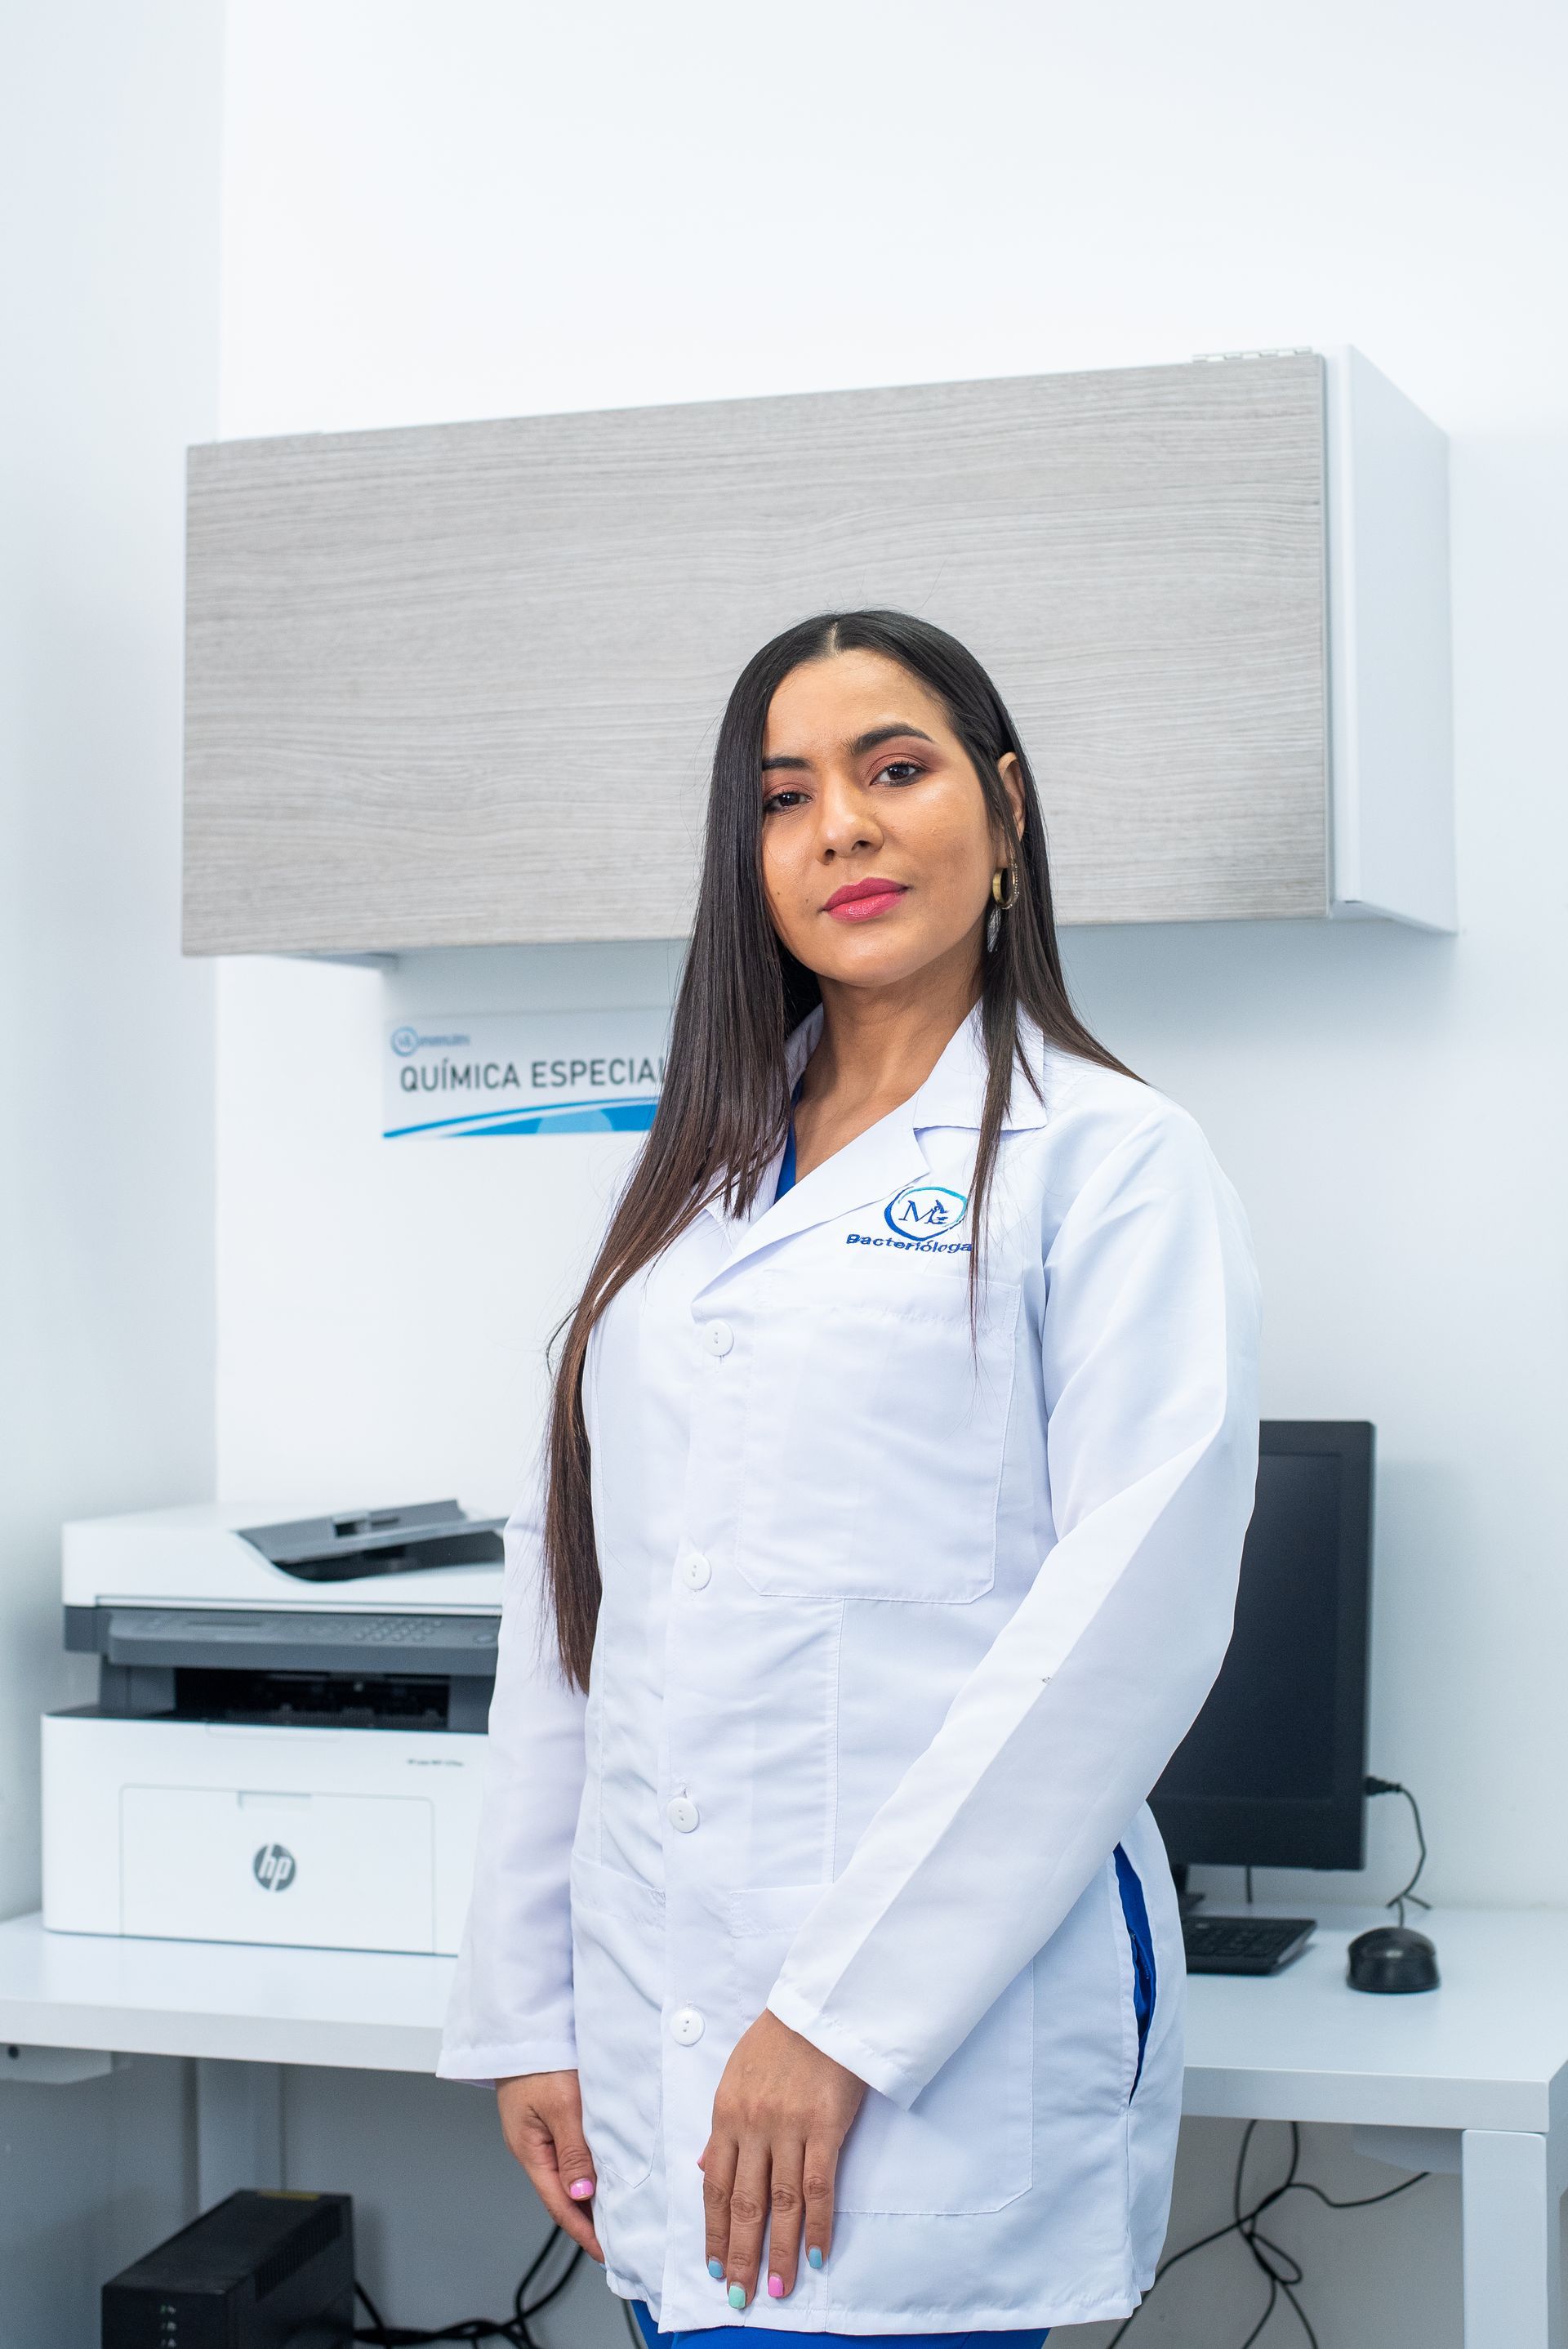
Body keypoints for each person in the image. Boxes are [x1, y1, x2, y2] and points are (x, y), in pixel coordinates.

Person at [439, 610, 1261, 2341]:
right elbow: (571, 1598)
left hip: (914, 2066)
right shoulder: (679, 1195)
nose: (844, 829)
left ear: (1007, 808)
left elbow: (1126, 1625)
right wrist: (529, 2005)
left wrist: (839, 2023)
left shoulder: (1109, 1163)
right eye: (786, 794)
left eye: (896, 770)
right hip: (658, 2046)